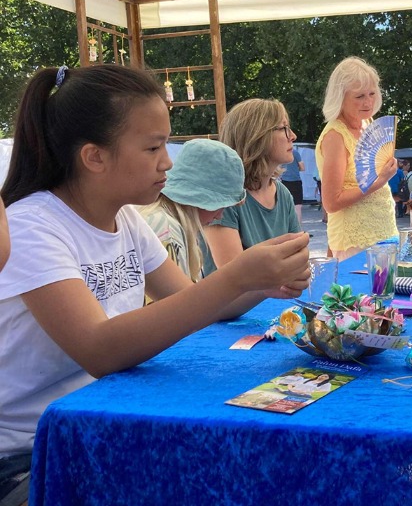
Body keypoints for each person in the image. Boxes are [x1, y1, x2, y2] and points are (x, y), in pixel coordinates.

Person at [0, 65, 310, 504]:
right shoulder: (33, 225)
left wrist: (265, 279)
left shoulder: (124, 218)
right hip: (31, 453)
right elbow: (99, 349)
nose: (168, 161)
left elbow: (194, 303)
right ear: (95, 156)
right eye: (153, 147)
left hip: (107, 419)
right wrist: (238, 276)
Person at [202, 98, 302, 275]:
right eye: (283, 128)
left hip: (275, 298)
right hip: (235, 302)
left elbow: (299, 257)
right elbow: (235, 277)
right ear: (257, 136)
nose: (292, 136)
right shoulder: (224, 198)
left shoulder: (282, 193)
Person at [315, 57, 399, 260]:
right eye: (359, 96)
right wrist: (379, 181)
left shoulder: (367, 123)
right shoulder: (335, 136)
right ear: (340, 97)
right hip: (354, 242)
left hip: (385, 234)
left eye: (372, 93)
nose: (368, 101)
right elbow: (331, 202)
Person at [139, 139, 245, 282]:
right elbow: (180, 302)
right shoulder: (166, 231)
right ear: (198, 199)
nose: (220, 215)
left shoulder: (173, 223)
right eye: (220, 206)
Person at [280, 146, 306, 229]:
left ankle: (287, 229)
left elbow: (278, 168)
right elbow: (302, 168)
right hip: (296, 181)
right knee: (297, 206)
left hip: (284, 181)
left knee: (286, 206)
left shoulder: (281, 153)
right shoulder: (295, 153)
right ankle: (299, 230)